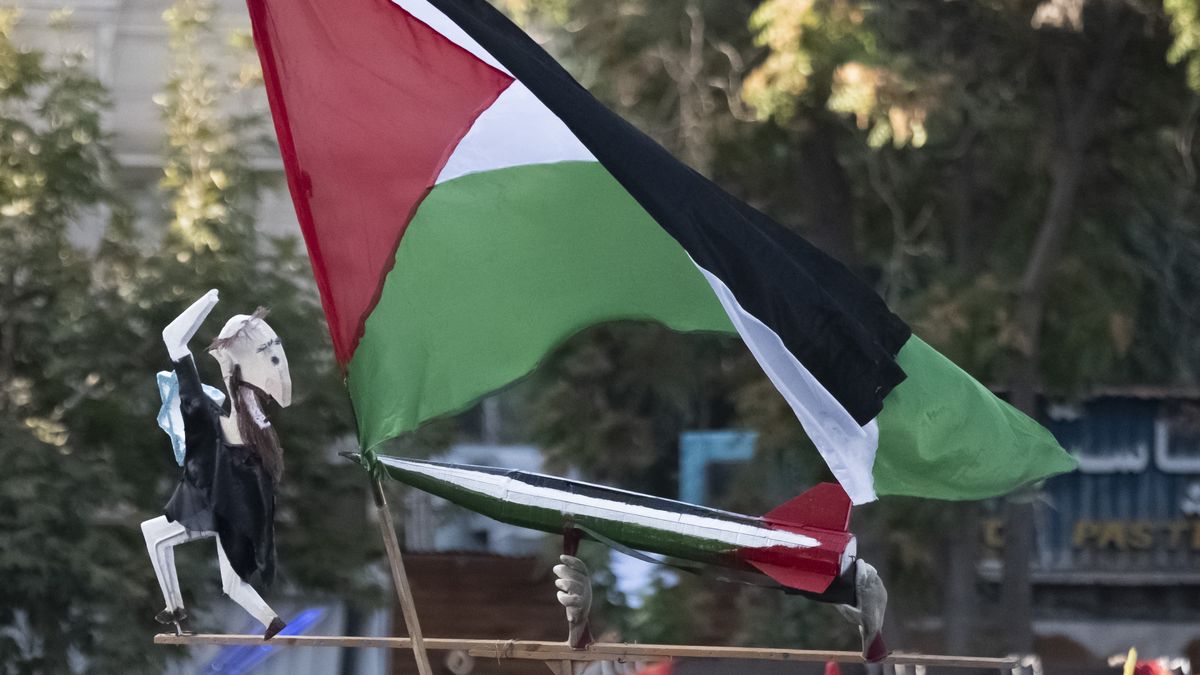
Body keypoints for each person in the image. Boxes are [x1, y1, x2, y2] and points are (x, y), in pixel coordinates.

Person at [139, 290, 289, 639]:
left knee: (153, 534)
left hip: (221, 501)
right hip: (241, 500)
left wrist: (209, 300)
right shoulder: (248, 408)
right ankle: (271, 621)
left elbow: (172, 338)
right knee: (232, 584)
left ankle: (176, 609)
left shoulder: (220, 409)